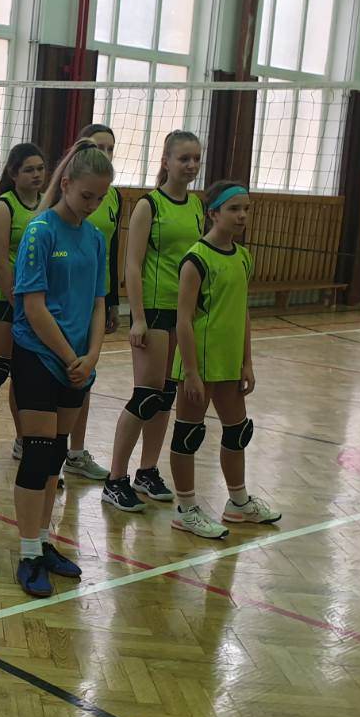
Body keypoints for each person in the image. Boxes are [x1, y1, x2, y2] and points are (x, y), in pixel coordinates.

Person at [10, 140, 112, 597]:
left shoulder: (95, 238)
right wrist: (71, 358)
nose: (92, 204)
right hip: (39, 356)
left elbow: (99, 304)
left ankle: (44, 540)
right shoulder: (40, 232)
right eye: (86, 195)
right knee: (37, 455)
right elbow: (33, 306)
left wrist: (92, 356)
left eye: (100, 198)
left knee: (55, 455)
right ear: (66, 184)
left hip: (78, 364)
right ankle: (28, 552)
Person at [169, 181, 282, 537]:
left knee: (238, 432)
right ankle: (186, 509)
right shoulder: (196, 259)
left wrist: (247, 362)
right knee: (188, 435)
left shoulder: (243, 257)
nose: (242, 216)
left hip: (229, 364)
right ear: (213, 213)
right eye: (234, 209)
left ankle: (238, 503)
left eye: (246, 209)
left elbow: (242, 311)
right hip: (199, 364)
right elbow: (183, 319)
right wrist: (190, 372)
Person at [102, 130, 206, 513]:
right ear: (166, 161)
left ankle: (147, 471)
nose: (191, 165)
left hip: (183, 313)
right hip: (154, 311)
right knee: (145, 396)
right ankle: (115, 479)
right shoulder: (149, 205)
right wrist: (137, 318)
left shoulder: (197, 206)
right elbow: (132, 264)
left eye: (196, 159)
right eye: (183, 158)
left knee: (165, 397)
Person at [0, 143, 48, 475]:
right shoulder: (4, 206)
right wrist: (19, 303)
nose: (36, 175)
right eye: (29, 169)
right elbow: (0, 262)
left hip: (36, 301)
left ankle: (23, 440)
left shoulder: (48, 204)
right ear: (13, 173)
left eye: (40, 169)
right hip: (8, 300)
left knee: (26, 372)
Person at [62, 123, 120, 482]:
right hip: (62, 304)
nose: (106, 154)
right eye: (100, 147)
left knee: (84, 378)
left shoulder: (112, 196)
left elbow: (111, 251)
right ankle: (35, 444)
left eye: (111, 148)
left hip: (93, 298)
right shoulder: (60, 208)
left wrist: (112, 302)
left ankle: (76, 452)